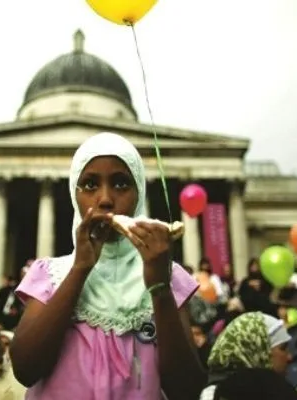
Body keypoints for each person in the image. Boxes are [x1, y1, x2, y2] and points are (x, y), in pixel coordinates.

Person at [11, 132, 203, 399]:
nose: (105, 200)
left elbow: (186, 390)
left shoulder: (167, 275)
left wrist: (160, 288)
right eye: (90, 185)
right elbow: (25, 368)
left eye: (121, 184)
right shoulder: (51, 275)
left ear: (139, 194)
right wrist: (80, 269)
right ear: (74, 195)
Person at [199, 311, 297, 400]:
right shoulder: (217, 396)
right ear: (258, 352)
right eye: (283, 348)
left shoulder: (263, 389)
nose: (289, 357)